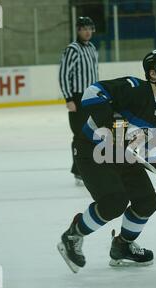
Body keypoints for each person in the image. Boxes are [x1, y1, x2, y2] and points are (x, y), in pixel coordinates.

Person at [57, 49, 156, 273]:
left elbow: (154, 152)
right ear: (153, 74)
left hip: (123, 156)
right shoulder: (132, 88)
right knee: (114, 202)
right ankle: (73, 235)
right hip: (92, 150)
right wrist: (112, 120)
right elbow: (91, 93)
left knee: (147, 201)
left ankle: (122, 246)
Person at [59, 16, 99, 186]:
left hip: (92, 97)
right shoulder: (72, 49)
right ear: (78, 30)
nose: (87, 32)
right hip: (77, 97)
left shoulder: (92, 48)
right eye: (84, 28)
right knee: (79, 135)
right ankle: (79, 171)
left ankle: (86, 168)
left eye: (90, 28)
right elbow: (63, 75)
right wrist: (69, 98)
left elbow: (95, 73)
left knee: (92, 133)